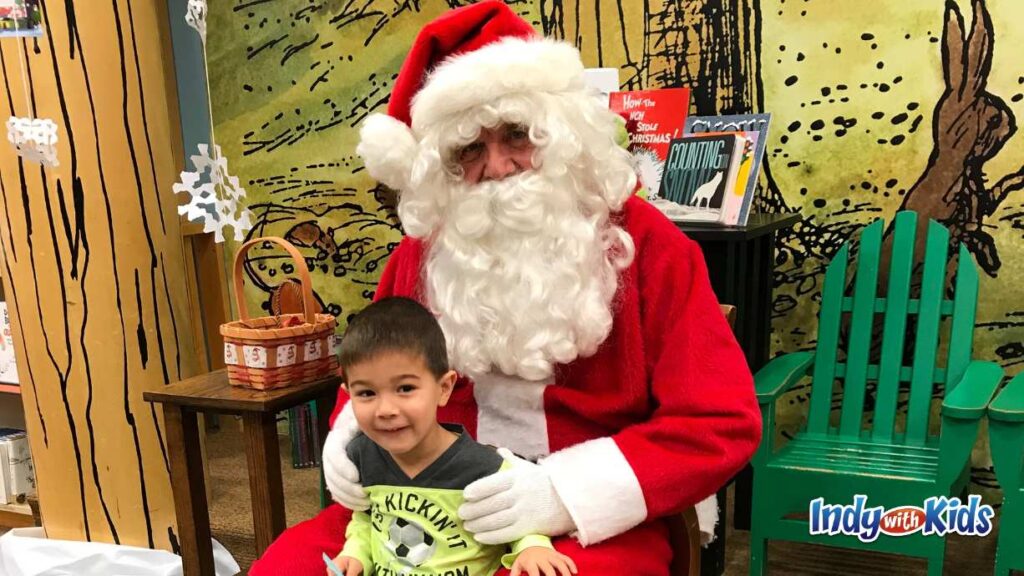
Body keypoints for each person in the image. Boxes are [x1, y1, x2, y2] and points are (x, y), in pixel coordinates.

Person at [251, 2, 761, 574]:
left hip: (585, 525)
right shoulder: (420, 255)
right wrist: (348, 435)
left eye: (517, 135)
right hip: (418, 493)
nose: (497, 167)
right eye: (469, 149)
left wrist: (561, 494)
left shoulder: (650, 247)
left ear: (563, 134)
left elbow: (717, 423)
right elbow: (371, 366)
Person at [326, 297, 577, 576]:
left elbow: (520, 516)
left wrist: (531, 547)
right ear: (349, 395)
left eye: (406, 388)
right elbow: (367, 518)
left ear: (444, 388)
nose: (386, 409)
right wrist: (355, 554)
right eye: (367, 393)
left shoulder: (484, 466)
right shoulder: (362, 455)